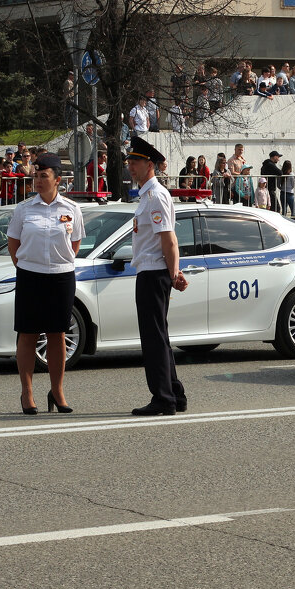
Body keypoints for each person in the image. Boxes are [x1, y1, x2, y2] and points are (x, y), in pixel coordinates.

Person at [6, 163, 84, 415]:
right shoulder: (24, 209)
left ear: (57, 180)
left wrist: (57, 263)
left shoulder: (71, 209)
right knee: (28, 334)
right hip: (30, 276)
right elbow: (13, 244)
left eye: (44, 176)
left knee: (57, 334)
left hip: (61, 277)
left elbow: (75, 244)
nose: (38, 181)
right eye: (36, 176)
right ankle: (27, 391)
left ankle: (57, 390)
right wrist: (29, 265)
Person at [125, 137, 188, 416]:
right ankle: (174, 393)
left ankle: (163, 398)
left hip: (153, 273)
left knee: (153, 339)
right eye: (129, 161)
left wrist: (174, 274)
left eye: (135, 162)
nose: (130, 166)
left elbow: (169, 239)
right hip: (151, 271)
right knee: (158, 336)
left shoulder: (155, 195)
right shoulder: (147, 195)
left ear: (149, 165)